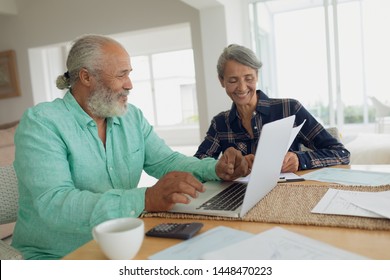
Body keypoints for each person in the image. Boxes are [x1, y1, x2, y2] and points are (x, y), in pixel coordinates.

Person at [11, 35, 249, 260]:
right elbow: (55, 204)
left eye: (129, 74)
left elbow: (166, 161)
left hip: (123, 243)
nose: (129, 84)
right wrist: (145, 198)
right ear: (86, 77)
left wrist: (215, 169)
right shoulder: (41, 123)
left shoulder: (130, 117)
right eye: (121, 75)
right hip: (59, 255)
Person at [194, 44, 350, 172]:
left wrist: (300, 159)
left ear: (257, 76)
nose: (241, 88)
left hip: (287, 195)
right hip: (238, 198)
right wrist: (223, 166)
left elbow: (341, 153)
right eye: (233, 80)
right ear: (222, 81)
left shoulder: (290, 109)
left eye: (248, 78)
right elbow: (197, 165)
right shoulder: (220, 123)